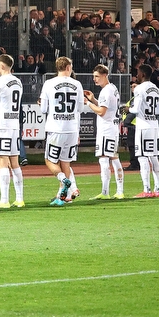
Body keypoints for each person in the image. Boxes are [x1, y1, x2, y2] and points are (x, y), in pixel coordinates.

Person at [39, 57, 82, 206]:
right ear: (68, 67)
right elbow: (80, 109)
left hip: (55, 128)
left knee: (50, 160)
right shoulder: (77, 84)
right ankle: (63, 195)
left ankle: (63, 179)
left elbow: (43, 109)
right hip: (71, 128)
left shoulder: (49, 83)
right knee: (66, 162)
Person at [0, 55, 25, 208]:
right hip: (14, 125)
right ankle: (20, 199)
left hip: (2, 125)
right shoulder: (18, 81)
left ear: (1, 66)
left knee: (2, 161)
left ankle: (4, 200)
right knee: (14, 162)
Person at [83, 64, 124, 200]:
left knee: (106, 159)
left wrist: (87, 103)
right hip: (111, 127)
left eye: (97, 76)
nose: (95, 79)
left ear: (105, 75)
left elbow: (101, 111)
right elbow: (105, 107)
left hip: (107, 129)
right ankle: (115, 191)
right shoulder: (112, 88)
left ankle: (109, 192)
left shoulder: (106, 91)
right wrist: (93, 99)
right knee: (112, 157)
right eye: (94, 76)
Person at [127, 64, 159, 198]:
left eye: (138, 73)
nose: (137, 75)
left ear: (142, 74)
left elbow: (135, 109)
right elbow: (158, 110)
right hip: (154, 126)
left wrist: (127, 109)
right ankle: (157, 189)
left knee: (142, 157)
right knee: (154, 157)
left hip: (143, 127)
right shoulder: (155, 88)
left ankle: (147, 190)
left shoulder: (139, 89)